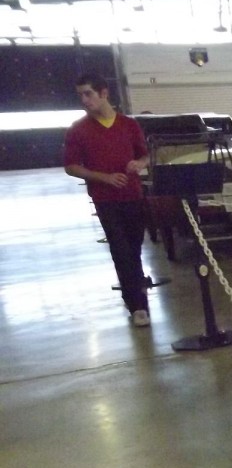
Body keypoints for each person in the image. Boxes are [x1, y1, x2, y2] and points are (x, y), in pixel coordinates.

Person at [63, 74, 153, 327]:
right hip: (105, 199)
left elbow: (145, 155)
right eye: (80, 95)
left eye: (88, 93)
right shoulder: (78, 130)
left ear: (104, 94)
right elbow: (71, 166)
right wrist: (103, 177)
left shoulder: (129, 125)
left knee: (134, 249)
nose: (84, 100)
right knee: (121, 249)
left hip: (133, 195)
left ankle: (137, 289)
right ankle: (137, 305)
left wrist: (139, 163)